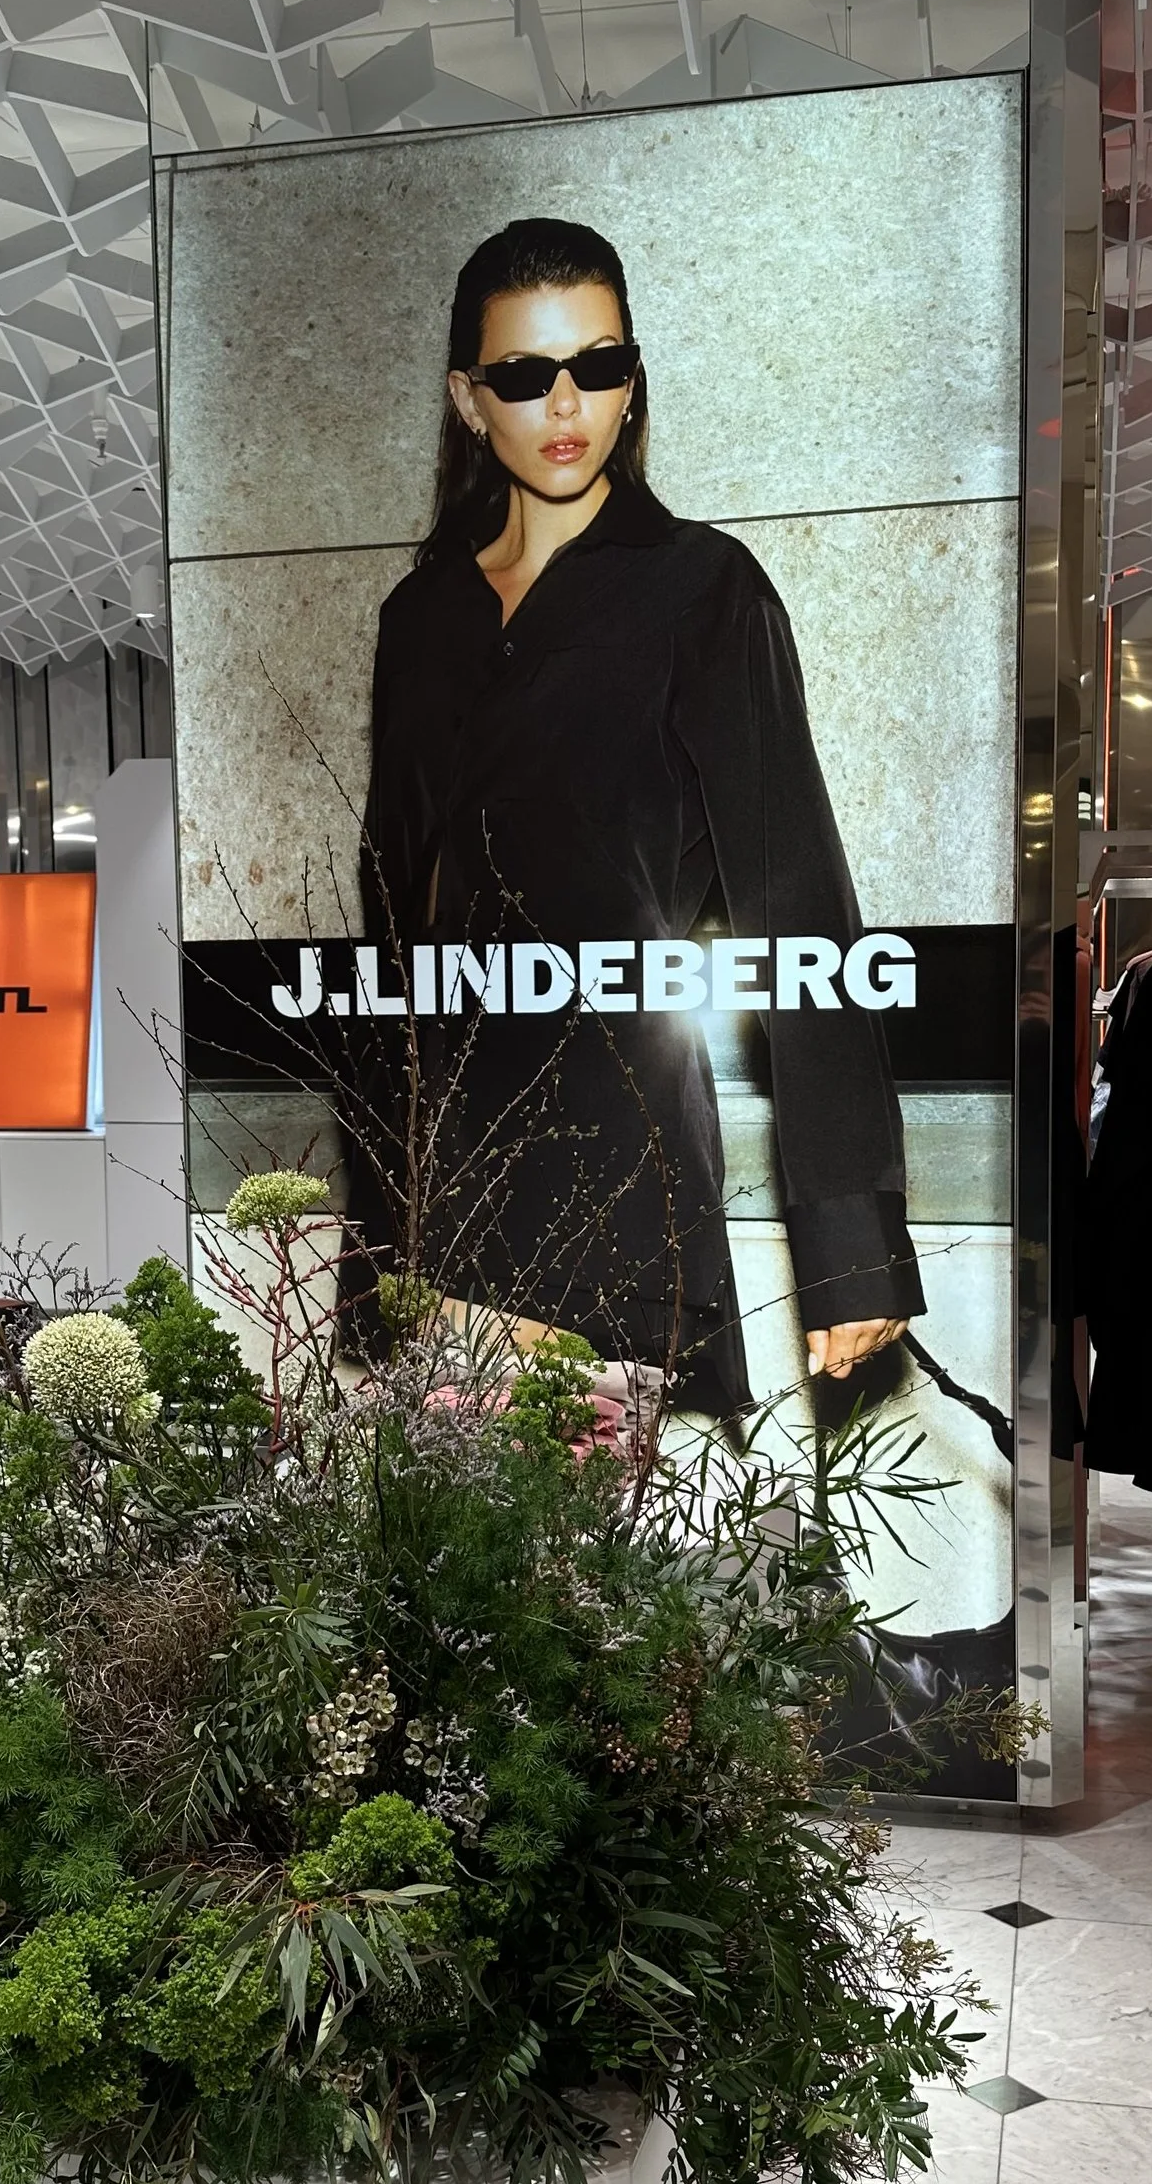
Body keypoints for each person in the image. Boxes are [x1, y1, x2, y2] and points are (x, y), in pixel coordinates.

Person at [352, 216, 920, 1418]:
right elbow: (390, 926)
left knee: (572, 1591)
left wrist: (848, 1248)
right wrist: (375, 1230)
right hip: (440, 1195)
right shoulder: (419, 622)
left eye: (598, 366)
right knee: (442, 1596)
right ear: (468, 400)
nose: (566, 403)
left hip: (616, 1168)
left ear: (630, 380)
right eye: (523, 375)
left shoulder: (702, 592)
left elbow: (797, 902)